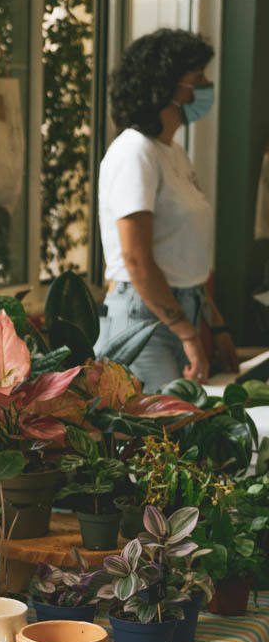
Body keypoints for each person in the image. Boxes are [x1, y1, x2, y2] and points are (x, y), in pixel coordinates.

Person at [95, 28, 238, 391]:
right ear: (166, 86)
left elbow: (183, 255)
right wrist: (189, 336)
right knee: (168, 437)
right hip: (142, 320)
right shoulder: (134, 153)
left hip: (181, 314)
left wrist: (214, 324)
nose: (206, 86)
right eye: (198, 78)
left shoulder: (173, 152)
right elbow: (137, 260)